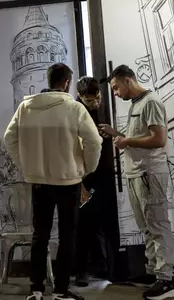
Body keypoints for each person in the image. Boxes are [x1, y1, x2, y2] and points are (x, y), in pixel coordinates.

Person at [4, 63, 102, 300]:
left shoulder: (25, 107)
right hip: (68, 180)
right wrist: (87, 168)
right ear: (67, 82)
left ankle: (36, 289)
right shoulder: (74, 108)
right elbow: (95, 142)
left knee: (41, 235)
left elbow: (9, 139)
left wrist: (27, 166)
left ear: (48, 81)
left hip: (38, 181)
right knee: (68, 235)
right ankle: (60, 290)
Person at [98, 65, 174, 300]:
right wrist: (116, 134)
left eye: (115, 88)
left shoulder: (151, 101)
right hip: (137, 174)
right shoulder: (137, 104)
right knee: (147, 227)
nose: (115, 93)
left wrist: (126, 140)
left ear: (127, 80)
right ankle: (156, 274)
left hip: (149, 174)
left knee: (157, 225)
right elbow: (137, 136)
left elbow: (158, 139)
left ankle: (166, 280)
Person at [73, 77, 109, 287]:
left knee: (98, 223)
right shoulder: (76, 111)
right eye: (91, 100)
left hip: (103, 175)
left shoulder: (104, 110)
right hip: (84, 176)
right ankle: (81, 270)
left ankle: (101, 265)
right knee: (83, 225)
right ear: (80, 97)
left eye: (98, 97)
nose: (96, 102)